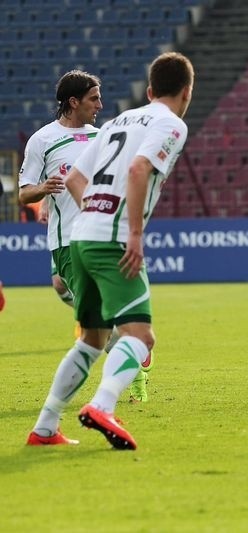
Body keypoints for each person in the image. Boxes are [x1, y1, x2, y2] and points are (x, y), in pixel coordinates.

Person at [26, 52, 194, 450]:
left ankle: (45, 428)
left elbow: (75, 179)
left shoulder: (119, 120)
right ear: (187, 91)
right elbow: (138, 170)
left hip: (81, 238)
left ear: (150, 90)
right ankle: (102, 405)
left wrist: (94, 216)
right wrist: (132, 233)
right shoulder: (171, 123)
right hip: (112, 241)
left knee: (91, 339)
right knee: (141, 336)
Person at [17, 70, 150, 406]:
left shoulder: (103, 136)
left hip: (105, 237)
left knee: (104, 323)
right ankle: (135, 365)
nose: (100, 105)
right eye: (94, 98)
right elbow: (23, 194)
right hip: (67, 243)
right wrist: (43, 192)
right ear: (73, 102)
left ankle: (131, 370)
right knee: (100, 326)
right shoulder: (42, 140)